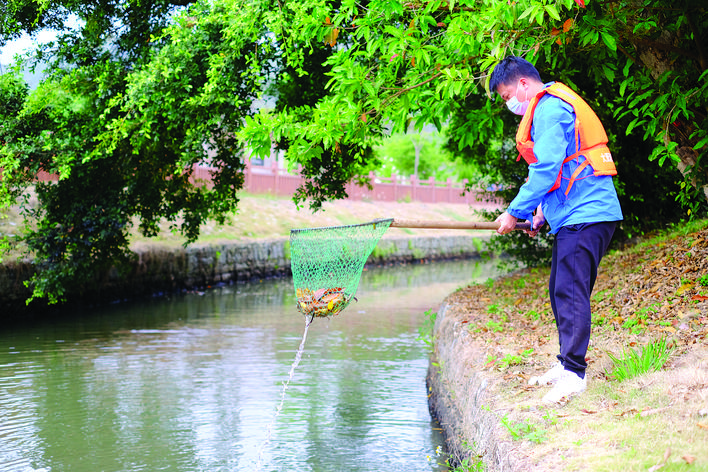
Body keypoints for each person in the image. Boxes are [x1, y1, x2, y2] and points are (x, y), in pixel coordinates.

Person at [489, 56, 623, 403]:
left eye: (506, 96)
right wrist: (538, 214)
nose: (510, 105)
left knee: (571, 292)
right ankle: (566, 365)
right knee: (559, 289)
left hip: (588, 214)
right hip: (576, 213)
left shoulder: (549, 109)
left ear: (523, 84)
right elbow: (561, 170)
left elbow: (547, 169)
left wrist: (512, 212)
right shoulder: (547, 108)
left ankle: (575, 375)